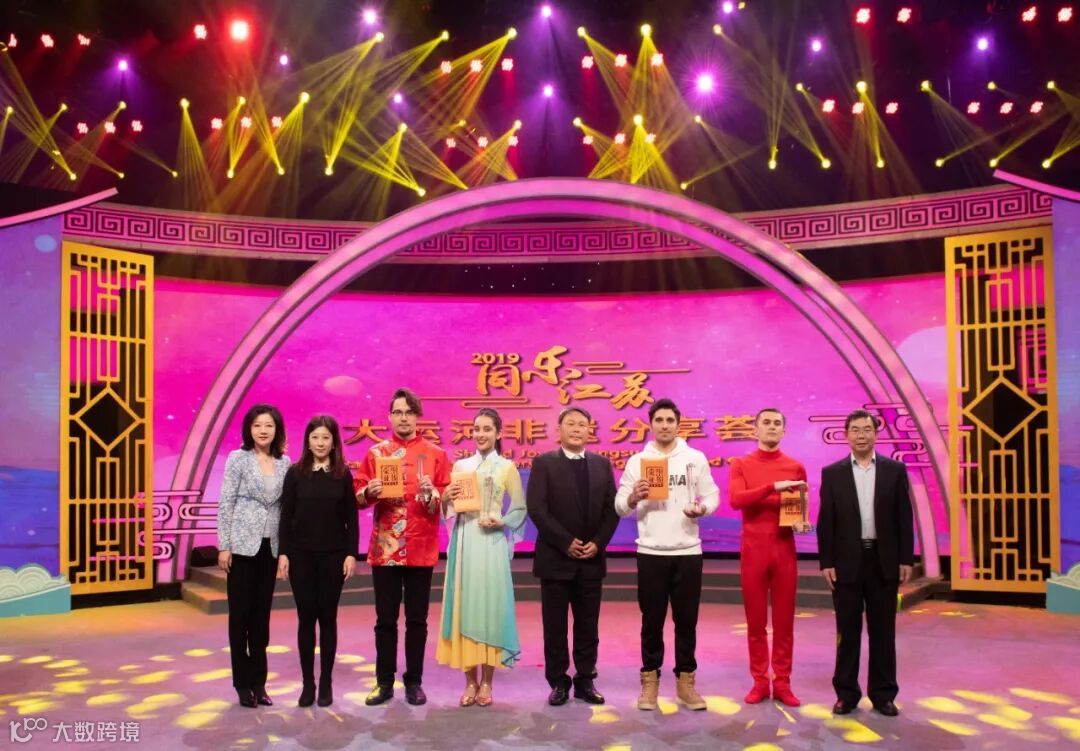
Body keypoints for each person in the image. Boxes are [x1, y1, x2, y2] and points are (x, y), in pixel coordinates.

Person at [615, 398, 719, 711]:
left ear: (677, 424)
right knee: (652, 622)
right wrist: (633, 497)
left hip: (688, 551)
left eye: (669, 420)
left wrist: (702, 508)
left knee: (687, 622)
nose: (664, 425)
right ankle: (649, 683)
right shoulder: (638, 462)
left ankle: (686, 683)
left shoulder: (694, 458)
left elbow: (712, 495)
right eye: (659, 420)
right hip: (651, 552)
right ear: (651, 424)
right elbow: (619, 506)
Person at [354, 388, 450, 706]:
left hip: (421, 546)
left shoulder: (435, 454)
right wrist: (369, 491)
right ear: (390, 417)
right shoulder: (376, 454)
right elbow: (357, 496)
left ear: (417, 416)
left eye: (409, 412)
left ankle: (414, 682)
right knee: (385, 620)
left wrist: (434, 494)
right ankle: (384, 682)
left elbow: (448, 498)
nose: (404, 417)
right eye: (398, 412)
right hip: (386, 548)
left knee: (417, 621)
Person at [817, 409, 915, 717]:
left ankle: (883, 694)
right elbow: (826, 521)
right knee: (847, 631)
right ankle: (846, 694)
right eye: (856, 430)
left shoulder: (894, 470)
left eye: (867, 429)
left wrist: (905, 558)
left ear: (876, 433)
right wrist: (827, 561)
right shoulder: (832, 473)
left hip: (883, 561)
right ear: (846, 435)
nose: (862, 435)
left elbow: (904, 517)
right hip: (846, 562)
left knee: (883, 632)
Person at [526, 406, 619, 706]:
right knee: (554, 627)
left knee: (588, 625)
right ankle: (558, 682)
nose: (577, 429)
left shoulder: (602, 465)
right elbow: (537, 508)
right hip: (556, 559)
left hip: (591, 559)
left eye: (582, 424)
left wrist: (598, 543)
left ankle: (585, 680)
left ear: (589, 430)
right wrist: (565, 542)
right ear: (559, 429)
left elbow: (612, 509)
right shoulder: (544, 463)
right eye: (571, 424)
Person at [437, 408, 526, 707]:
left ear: (498, 433)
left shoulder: (507, 467)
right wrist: (446, 498)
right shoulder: (461, 466)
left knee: (490, 608)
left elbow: (520, 508)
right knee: (463, 606)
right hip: (465, 541)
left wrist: (501, 521)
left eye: (487, 429)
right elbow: (451, 510)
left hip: (492, 543)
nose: (481, 434)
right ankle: (469, 682)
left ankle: (487, 681)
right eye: (477, 429)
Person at [276, 415, 359, 708]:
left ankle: (326, 682)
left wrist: (351, 553)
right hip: (301, 555)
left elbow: (351, 518)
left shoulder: (342, 475)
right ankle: (308, 684)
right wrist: (283, 553)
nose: (320, 443)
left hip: (333, 556)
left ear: (334, 442)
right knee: (306, 619)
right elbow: (285, 516)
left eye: (325, 438)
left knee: (328, 618)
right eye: (315, 438)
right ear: (307, 441)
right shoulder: (295, 473)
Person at [728, 407, 808, 707]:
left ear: (784, 431)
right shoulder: (741, 464)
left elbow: (796, 510)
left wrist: (800, 522)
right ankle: (760, 681)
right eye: (766, 422)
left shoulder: (795, 467)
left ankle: (783, 682)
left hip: (784, 550)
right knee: (756, 622)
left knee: (785, 622)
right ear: (755, 429)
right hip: (753, 552)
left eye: (777, 423)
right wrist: (773, 487)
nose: (772, 427)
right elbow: (736, 500)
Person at [216, 403, 291, 708]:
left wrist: (285, 550)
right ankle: (242, 684)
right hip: (242, 546)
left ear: (277, 430)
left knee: (261, 618)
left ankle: (260, 682)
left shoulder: (285, 462)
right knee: (240, 617)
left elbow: (286, 508)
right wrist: (224, 545)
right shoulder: (238, 458)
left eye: (269, 425)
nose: (263, 430)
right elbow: (226, 502)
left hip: (270, 547)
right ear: (249, 429)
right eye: (258, 425)